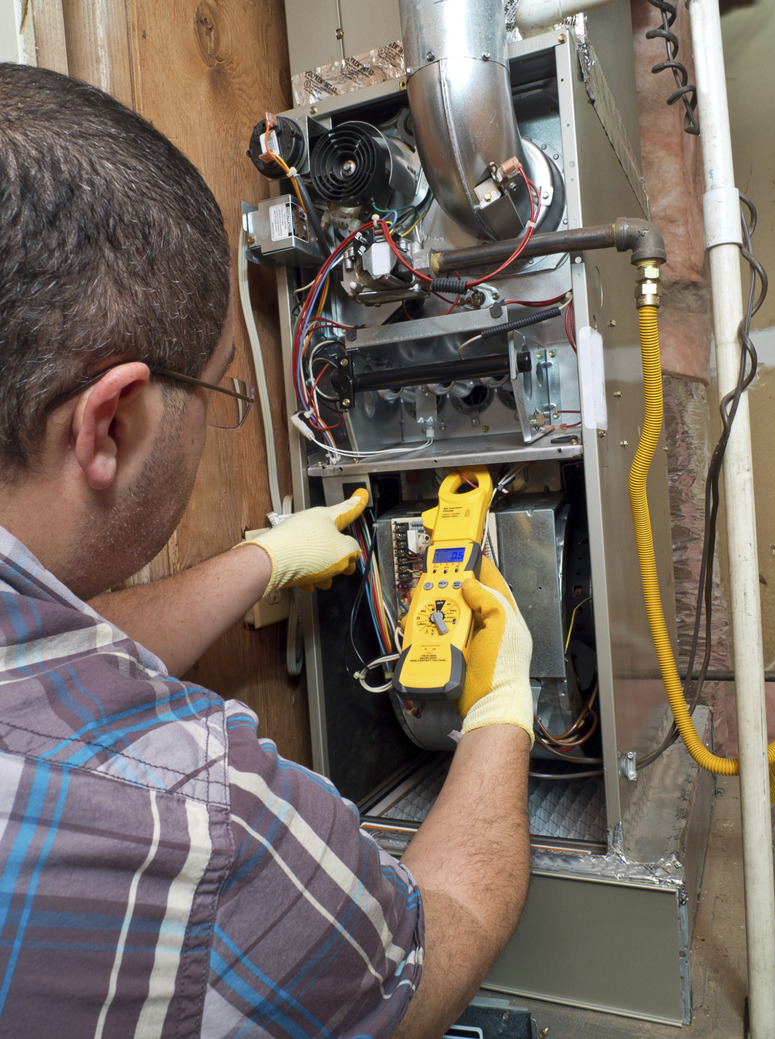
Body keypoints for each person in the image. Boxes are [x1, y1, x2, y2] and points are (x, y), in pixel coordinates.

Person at [0, 61, 534, 1039]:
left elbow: (54, 667)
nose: (220, 414)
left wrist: (266, 559)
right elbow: (424, 953)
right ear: (112, 422)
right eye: (218, 388)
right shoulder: (192, 818)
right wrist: (504, 706)